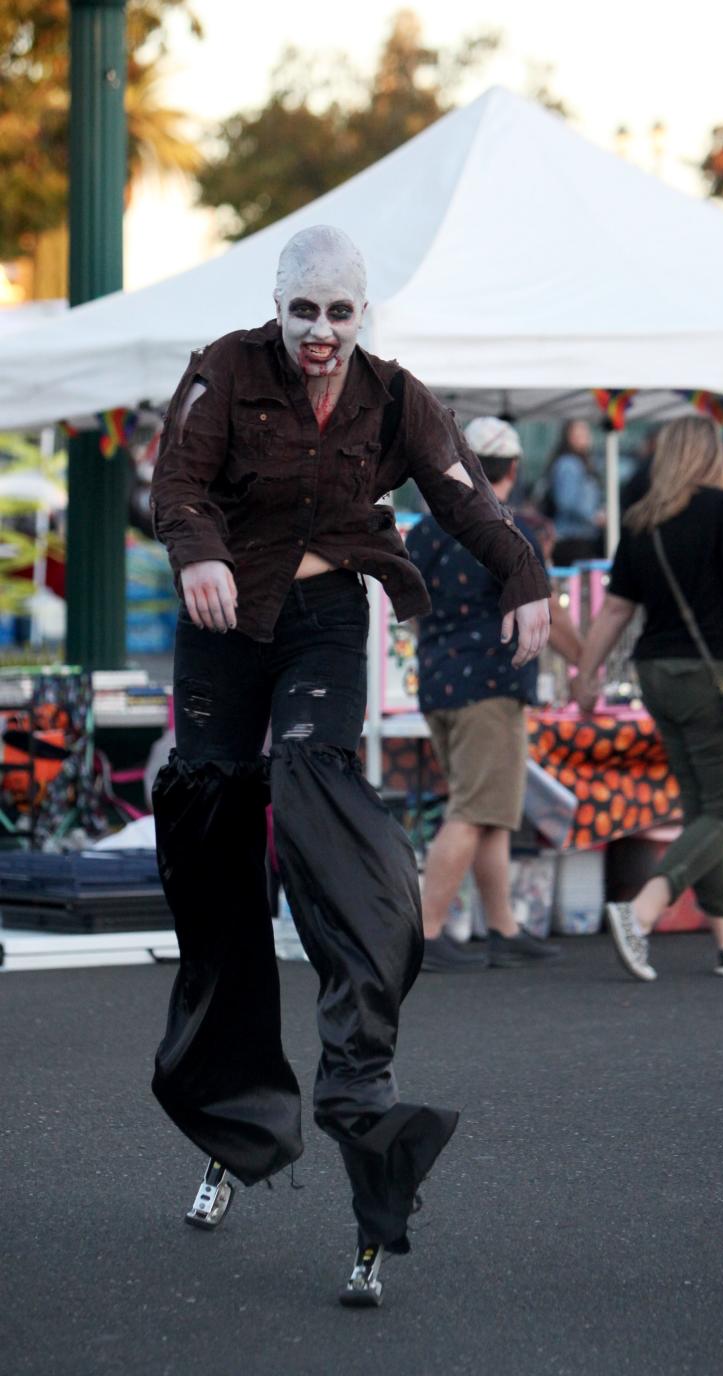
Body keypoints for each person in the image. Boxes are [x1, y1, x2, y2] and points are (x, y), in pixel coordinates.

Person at [149, 226, 550, 1305]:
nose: (321, 333)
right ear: (276, 306)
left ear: (362, 312)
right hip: (222, 620)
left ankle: (370, 1000)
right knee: (216, 843)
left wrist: (524, 575)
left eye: (340, 312)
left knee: (316, 779)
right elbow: (177, 483)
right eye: (303, 312)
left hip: (327, 612)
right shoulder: (224, 371)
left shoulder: (395, 394)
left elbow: (467, 495)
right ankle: (233, 1118)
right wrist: (199, 553)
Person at [572, 414, 723, 982]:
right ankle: (641, 912)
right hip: (717, 676)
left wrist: (585, 678)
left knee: (702, 807)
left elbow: (615, 609)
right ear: (713, 454)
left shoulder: (643, 520)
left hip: (657, 675)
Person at [406, 416, 582, 972]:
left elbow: (410, 612)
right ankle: (427, 932)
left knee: (488, 809)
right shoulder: (511, 527)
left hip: (438, 683)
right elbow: (544, 608)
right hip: (491, 684)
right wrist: (587, 664)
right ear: (512, 468)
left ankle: (503, 926)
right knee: (474, 809)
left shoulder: (427, 531)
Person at [538, 419, 605, 564]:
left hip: (581, 537)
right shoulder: (568, 464)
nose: (586, 437)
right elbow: (566, 501)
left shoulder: (584, 463)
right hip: (571, 538)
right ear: (569, 437)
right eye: (580, 433)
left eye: (586, 432)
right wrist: (593, 516)